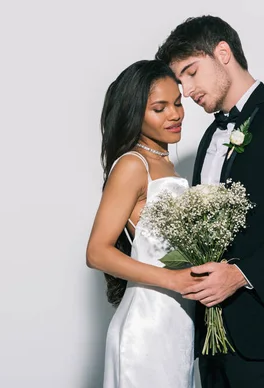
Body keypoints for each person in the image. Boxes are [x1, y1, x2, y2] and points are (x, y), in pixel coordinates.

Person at [155, 15, 264, 388]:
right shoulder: (208, 138)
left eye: (190, 72)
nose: (186, 91)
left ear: (223, 53)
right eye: (180, 81)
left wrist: (240, 275)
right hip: (210, 336)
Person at [86, 60, 200, 387]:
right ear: (135, 113)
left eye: (177, 103)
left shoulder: (165, 164)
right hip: (147, 325)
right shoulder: (134, 165)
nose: (175, 114)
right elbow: (97, 252)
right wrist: (174, 281)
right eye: (159, 108)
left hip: (177, 322)